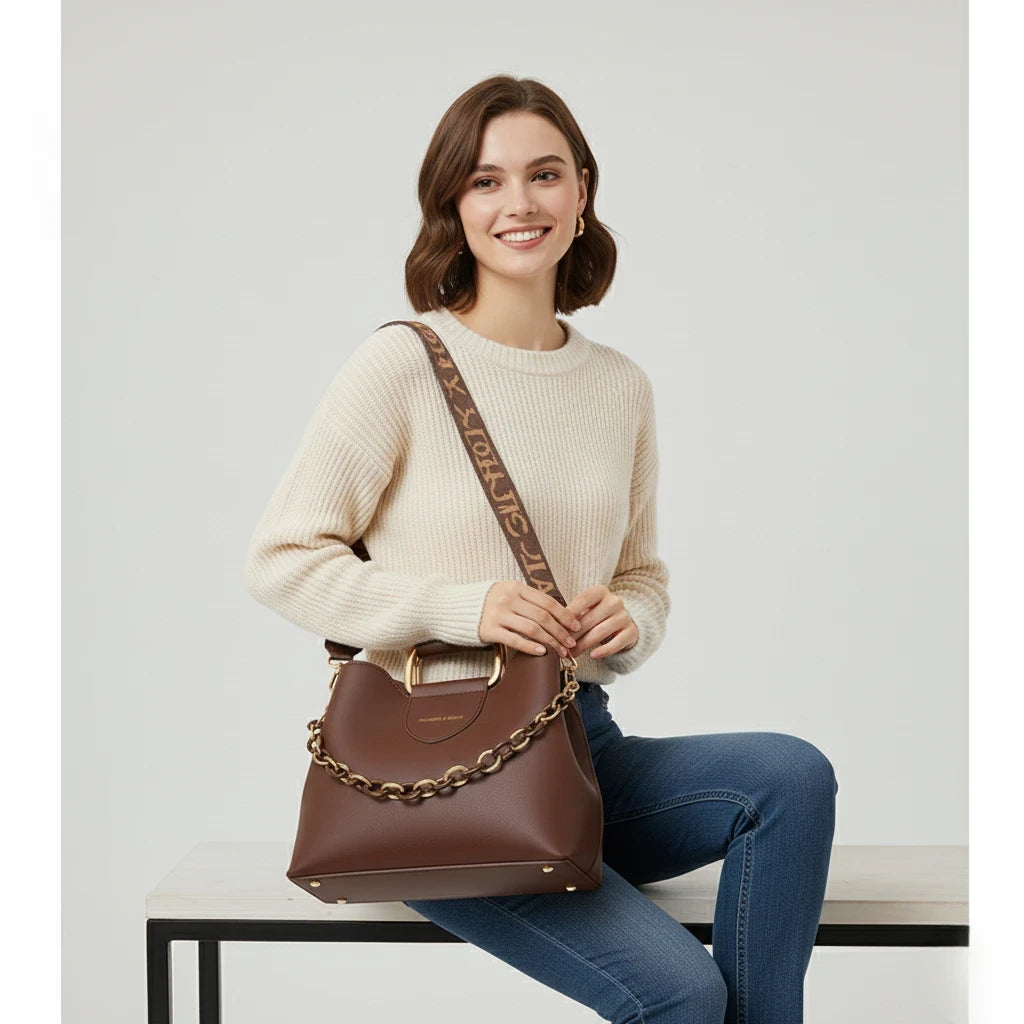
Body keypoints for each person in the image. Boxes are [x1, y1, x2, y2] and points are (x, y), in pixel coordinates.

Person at [244, 74, 838, 1024]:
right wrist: (461, 606)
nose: (518, 204)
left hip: (575, 746)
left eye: (544, 175)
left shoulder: (619, 387)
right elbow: (281, 558)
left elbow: (642, 575)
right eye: (485, 182)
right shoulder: (400, 363)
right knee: (681, 995)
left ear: (583, 193)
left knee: (789, 776)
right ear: (454, 206)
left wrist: (625, 619)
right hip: (440, 778)